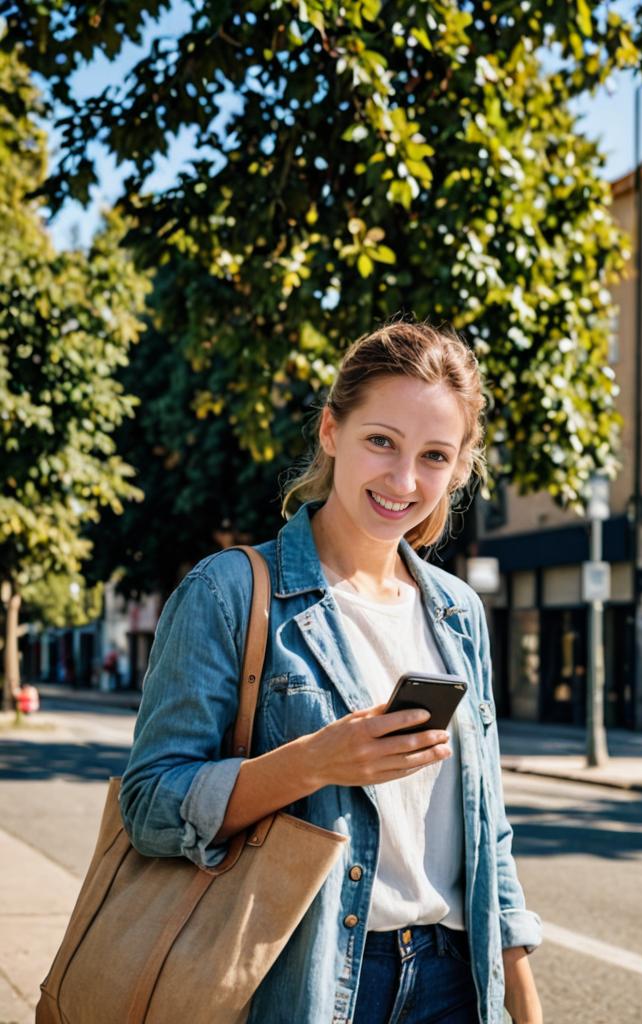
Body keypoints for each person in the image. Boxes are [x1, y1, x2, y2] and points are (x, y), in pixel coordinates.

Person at [120, 320, 544, 1024]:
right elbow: (150, 806)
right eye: (381, 441)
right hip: (305, 980)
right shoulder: (227, 591)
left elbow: (488, 834)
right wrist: (316, 762)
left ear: (461, 468)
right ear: (330, 432)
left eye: (434, 455)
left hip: (453, 982)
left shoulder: (459, 614)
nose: (404, 480)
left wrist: (522, 1007)